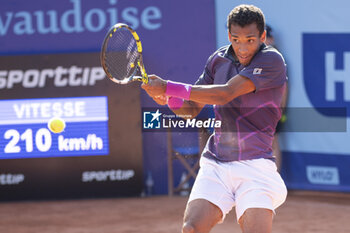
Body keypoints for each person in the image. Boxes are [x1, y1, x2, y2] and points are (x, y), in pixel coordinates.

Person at [142, 4, 287, 233]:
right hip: (217, 164)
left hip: (255, 167)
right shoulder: (217, 60)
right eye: (236, 39)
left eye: (250, 40)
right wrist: (170, 99)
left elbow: (225, 93)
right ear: (229, 35)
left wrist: (169, 86)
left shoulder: (271, 60)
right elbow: (191, 110)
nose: (243, 47)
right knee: (191, 228)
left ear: (262, 36)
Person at [265, 24, 289, 172]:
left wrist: (279, 110)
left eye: (265, 38)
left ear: (271, 39)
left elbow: (284, 88)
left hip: (273, 110)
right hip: (256, 111)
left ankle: (275, 180)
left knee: (273, 143)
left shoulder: (278, 59)